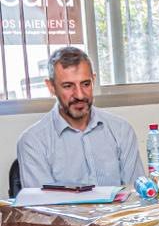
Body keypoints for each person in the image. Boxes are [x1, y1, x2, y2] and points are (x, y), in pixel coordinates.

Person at [16, 46, 141, 189]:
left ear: (93, 80)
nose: (80, 95)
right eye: (68, 86)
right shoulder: (33, 142)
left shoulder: (121, 130)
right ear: (51, 87)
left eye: (85, 84)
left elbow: (136, 193)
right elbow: (41, 203)